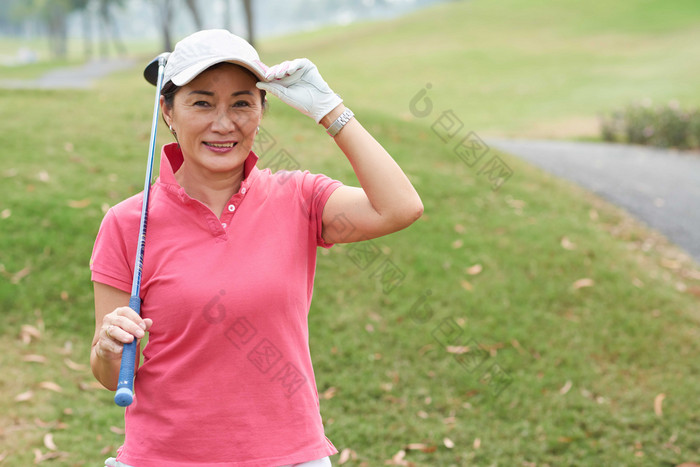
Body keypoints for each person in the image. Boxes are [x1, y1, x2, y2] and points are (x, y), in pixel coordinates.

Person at [90, 29, 423, 467]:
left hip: (288, 456)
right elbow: (112, 375)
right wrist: (108, 349)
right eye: (202, 102)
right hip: (164, 458)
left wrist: (331, 111)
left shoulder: (300, 198)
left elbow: (399, 207)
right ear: (167, 110)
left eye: (242, 103)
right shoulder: (127, 223)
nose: (223, 123)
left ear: (263, 110)